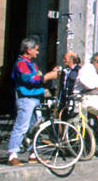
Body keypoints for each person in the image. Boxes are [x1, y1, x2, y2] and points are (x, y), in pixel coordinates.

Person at [5, 37, 61, 167]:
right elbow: (29, 79)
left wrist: (50, 74)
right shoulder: (21, 63)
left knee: (35, 127)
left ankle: (33, 153)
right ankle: (12, 154)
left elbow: (38, 76)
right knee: (22, 126)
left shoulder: (32, 63)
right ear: (29, 50)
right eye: (36, 50)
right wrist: (48, 76)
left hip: (36, 98)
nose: (38, 52)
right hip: (26, 98)